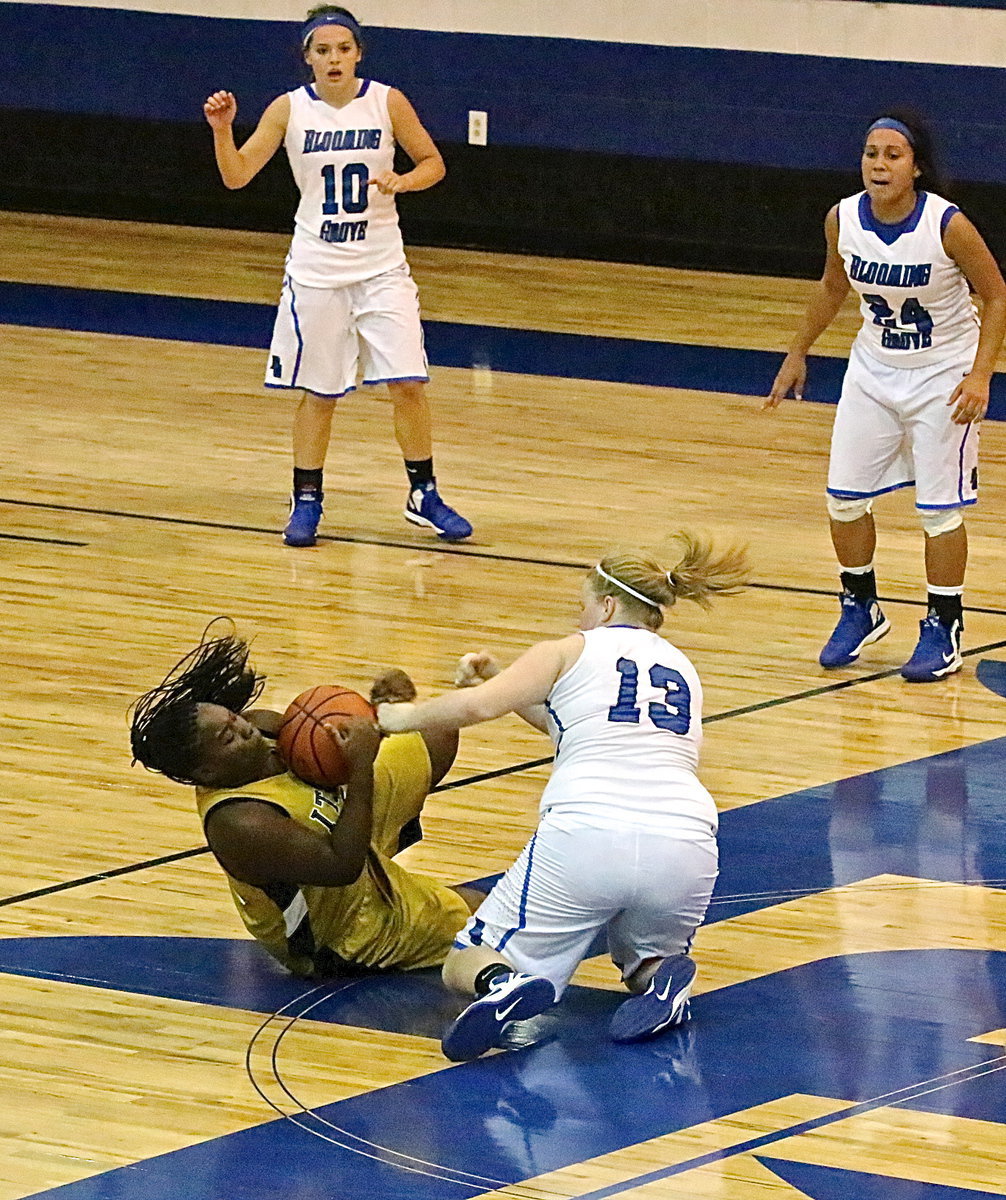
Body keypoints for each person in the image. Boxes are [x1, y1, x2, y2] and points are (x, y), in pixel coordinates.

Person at [377, 533, 748, 1061]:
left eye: (583, 606)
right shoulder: (683, 669)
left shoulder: (567, 649)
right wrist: (507, 680)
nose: (580, 618)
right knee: (645, 958)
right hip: (687, 842)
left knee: (463, 957)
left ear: (607, 603)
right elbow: (573, 725)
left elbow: (478, 708)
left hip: (587, 835)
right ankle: (665, 979)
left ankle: (501, 985)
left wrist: (402, 718)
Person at [203, 5, 471, 547]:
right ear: (307, 58)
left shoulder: (387, 100)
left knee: (409, 382)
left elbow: (434, 164)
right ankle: (306, 502)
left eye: (342, 49)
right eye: (322, 51)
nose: (333, 59)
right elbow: (236, 177)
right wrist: (223, 130)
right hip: (317, 272)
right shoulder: (288, 109)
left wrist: (405, 181)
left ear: (358, 54)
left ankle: (423, 494)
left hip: (381, 268)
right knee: (321, 393)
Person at [766, 110, 1006, 682]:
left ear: (916, 166)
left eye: (892, 155)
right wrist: (798, 352)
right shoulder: (842, 218)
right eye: (871, 153)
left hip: (942, 374)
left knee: (939, 511)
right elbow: (832, 286)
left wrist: (981, 376)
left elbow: (996, 295)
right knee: (843, 499)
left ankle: (944, 624)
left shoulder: (946, 224)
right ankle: (860, 608)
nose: (879, 163)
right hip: (873, 369)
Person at [130, 629, 481, 977]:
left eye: (232, 717)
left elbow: (329, 750)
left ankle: (415, 884)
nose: (242, 727)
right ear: (207, 772)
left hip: (340, 824)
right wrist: (360, 767)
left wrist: (380, 716)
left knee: (435, 729)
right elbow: (343, 867)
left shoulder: (262, 728)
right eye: (228, 737)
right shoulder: (240, 824)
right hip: (345, 931)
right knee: (493, 926)